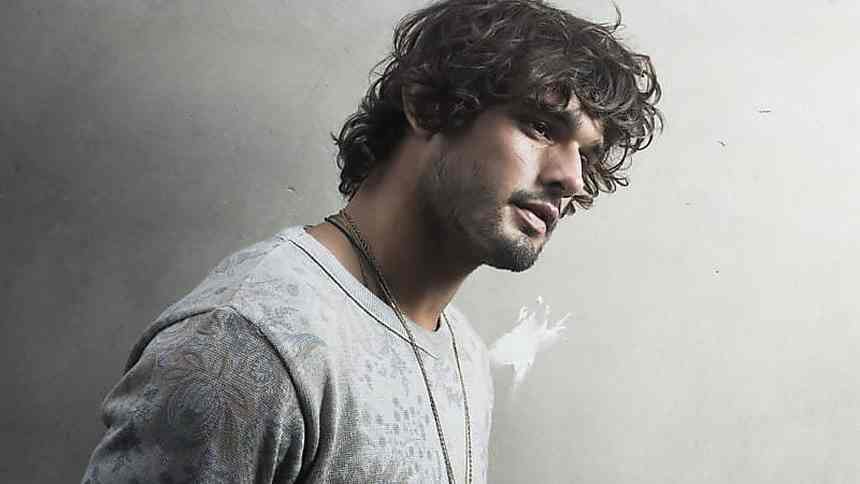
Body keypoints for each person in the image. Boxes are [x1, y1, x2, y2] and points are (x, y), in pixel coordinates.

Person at [81, 0, 662, 482]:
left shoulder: (461, 351)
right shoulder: (247, 343)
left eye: (586, 154)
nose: (571, 177)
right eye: (540, 126)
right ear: (428, 107)